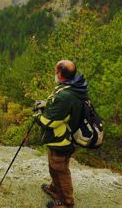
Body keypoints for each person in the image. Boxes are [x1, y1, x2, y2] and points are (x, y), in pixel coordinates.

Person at [33, 60, 88, 208]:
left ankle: (66, 202)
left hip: (62, 139)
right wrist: (46, 104)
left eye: (55, 71)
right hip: (67, 135)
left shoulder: (65, 95)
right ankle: (55, 189)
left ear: (60, 74)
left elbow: (48, 122)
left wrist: (37, 115)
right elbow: (63, 109)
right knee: (55, 166)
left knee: (60, 169)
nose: (54, 73)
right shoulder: (74, 86)